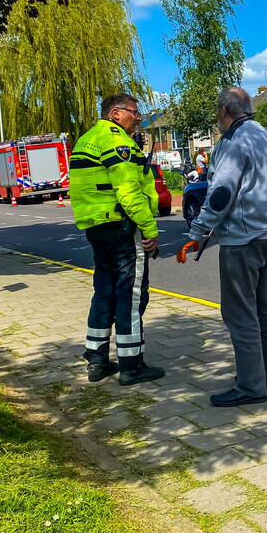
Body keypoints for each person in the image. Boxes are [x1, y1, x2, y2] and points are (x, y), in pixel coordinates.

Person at [178, 87, 267, 407]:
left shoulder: (232, 141)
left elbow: (222, 193)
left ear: (224, 110)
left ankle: (251, 386)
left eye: (217, 109)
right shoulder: (262, 133)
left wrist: (198, 232)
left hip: (243, 238)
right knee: (264, 307)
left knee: (240, 313)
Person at [69, 93, 163, 386]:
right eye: (134, 112)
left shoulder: (86, 139)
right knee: (130, 296)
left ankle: (97, 360)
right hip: (122, 226)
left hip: (96, 225)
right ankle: (132, 366)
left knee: (104, 291)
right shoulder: (117, 141)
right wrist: (149, 229)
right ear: (115, 113)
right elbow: (128, 191)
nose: (138, 117)